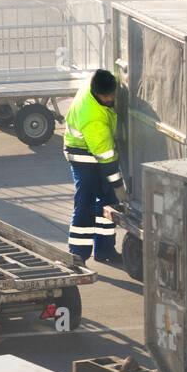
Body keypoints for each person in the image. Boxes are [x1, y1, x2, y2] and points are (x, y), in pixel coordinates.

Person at [63, 69, 124, 263]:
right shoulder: (93, 117)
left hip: (94, 148)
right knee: (86, 201)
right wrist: (118, 185)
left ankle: (105, 250)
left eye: (112, 94)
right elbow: (106, 157)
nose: (110, 98)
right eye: (106, 96)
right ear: (97, 94)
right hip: (82, 154)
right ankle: (77, 254)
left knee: (108, 202)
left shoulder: (98, 81)